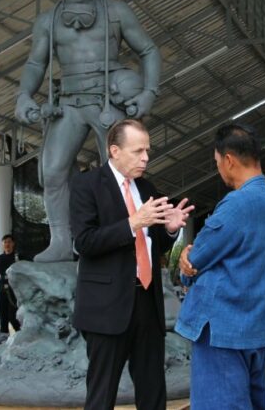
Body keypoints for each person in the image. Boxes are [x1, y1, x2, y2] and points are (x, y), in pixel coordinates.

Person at [15, 0, 162, 262]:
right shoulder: (48, 20)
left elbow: (148, 50)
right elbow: (36, 64)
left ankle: (121, 237)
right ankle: (61, 242)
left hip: (107, 101)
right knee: (52, 171)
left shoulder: (116, 11)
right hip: (67, 102)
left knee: (119, 172)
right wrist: (24, 94)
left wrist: (148, 92)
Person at [69, 119, 193, 410]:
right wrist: (132, 223)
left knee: (153, 392)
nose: (146, 158)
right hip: (106, 308)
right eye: (138, 151)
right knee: (101, 395)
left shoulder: (147, 187)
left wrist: (171, 230)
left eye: (147, 151)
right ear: (114, 150)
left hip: (148, 303)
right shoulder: (87, 185)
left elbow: (153, 245)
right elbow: (84, 242)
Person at [176, 124, 265, 410]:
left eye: (217, 163)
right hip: (256, 326)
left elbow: (197, 257)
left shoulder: (238, 203)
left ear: (228, 160)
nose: (219, 170)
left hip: (223, 327)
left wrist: (186, 262)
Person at [0, 234, 22, 333]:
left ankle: (20, 336)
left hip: (14, 291)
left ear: (13, 244)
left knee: (12, 317)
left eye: (9, 242)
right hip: (2, 291)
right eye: (5, 242)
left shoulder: (18, 257)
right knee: (3, 319)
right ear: (2, 244)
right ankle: (4, 341)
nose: (7, 244)